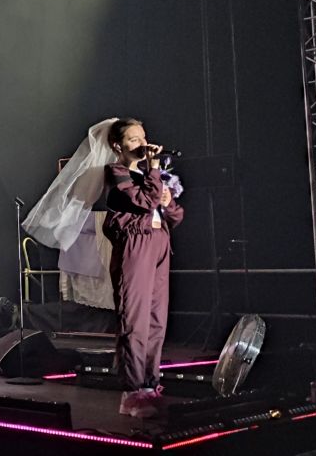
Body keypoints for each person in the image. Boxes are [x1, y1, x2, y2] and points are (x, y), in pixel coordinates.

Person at [102, 118, 184, 418]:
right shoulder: (117, 172)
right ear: (118, 146)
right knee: (134, 320)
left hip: (160, 242)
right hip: (135, 245)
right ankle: (132, 391)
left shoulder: (153, 176)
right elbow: (144, 201)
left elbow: (174, 216)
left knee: (156, 320)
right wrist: (154, 171)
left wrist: (168, 200)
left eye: (143, 137)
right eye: (134, 139)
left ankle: (149, 385)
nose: (142, 143)